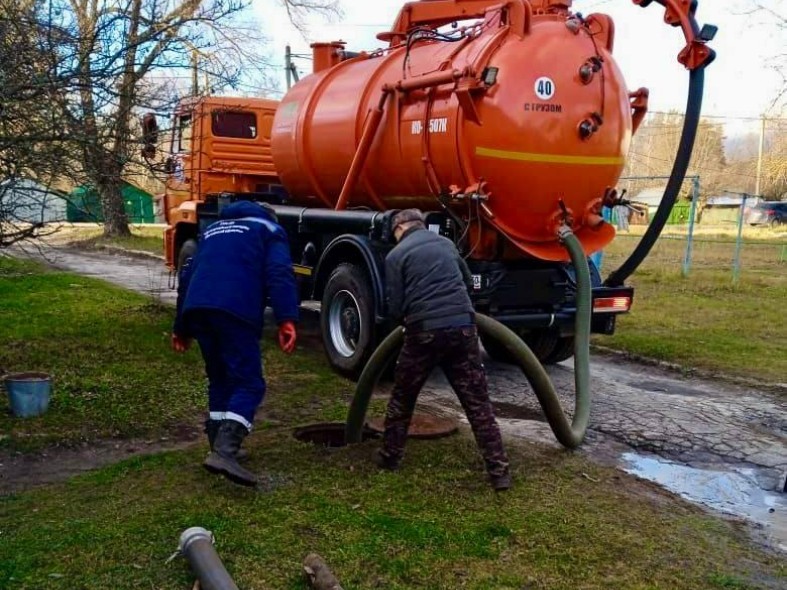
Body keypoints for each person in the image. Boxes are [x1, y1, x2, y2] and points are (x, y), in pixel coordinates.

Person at [379, 209, 511, 491]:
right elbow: (467, 283)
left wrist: (404, 322)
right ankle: (499, 472)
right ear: (421, 225)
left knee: (403, 399)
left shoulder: (396, 255)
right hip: (463, 329)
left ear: (399, 228)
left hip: (423, 332)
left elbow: (395, 306)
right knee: (478, 404)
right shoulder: (446, 244)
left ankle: (389, 459)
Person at [171, 201, 299, 487]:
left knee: (219, 378)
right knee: (249, 383)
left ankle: (218, 443)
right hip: (235, 309)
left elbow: (187, 276)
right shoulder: (269, 229)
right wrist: (286, 318)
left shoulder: (212, 230)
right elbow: (279, 272)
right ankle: (225, 450)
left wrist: (181, 327)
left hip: (198, 309)